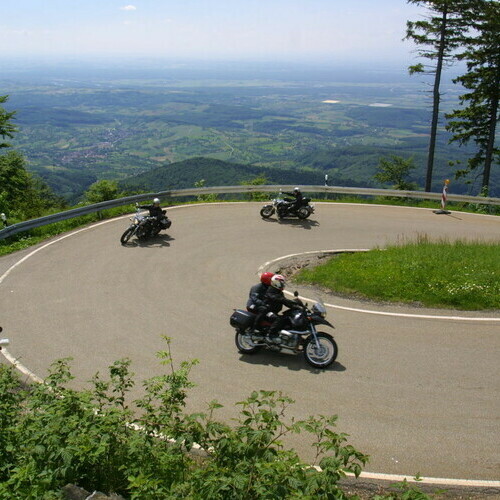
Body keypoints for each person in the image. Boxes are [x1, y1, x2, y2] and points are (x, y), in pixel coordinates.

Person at [263, 274, 298, 342]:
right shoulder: (271, 290)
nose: (283, 284)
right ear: (276, 282)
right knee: (278, 319)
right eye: (281, 283)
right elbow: (279, 299)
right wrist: (290, 301)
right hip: (267, 311)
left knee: (287, 319)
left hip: (273, 311)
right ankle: (270, 335)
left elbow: (286, 302)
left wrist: (297, 306)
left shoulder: (279, 292)